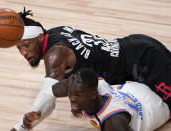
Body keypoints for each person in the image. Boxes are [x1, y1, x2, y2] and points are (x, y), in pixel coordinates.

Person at [11, 7, 171, 130]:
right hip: (134, 46)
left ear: (39, 38)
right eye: (19, 48)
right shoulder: (56, 32)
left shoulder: (55, 55)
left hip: (142, 62)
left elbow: (47, 97)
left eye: (26, 45)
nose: (24, 52)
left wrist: (21, 127)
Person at [67, 68, 170, 131]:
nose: (72, 99)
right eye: (70, 94)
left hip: (153, 110)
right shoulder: (93, 86)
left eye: (77, 95)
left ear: (93, 95)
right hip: (134, 91)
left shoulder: (113, 123)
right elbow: (57, 88)